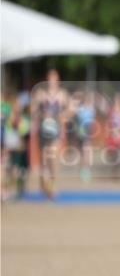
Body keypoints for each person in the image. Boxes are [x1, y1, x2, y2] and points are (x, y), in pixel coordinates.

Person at [31, 69, 71, 199]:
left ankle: (53, 188)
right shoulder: (41, 94)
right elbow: (33, 109)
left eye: (54, 79)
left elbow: (71, 109)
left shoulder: (62, 94)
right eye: (50, 79)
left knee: (53, 159)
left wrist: (63, 116)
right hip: (43, 131)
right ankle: (43, 185)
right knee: (44, 160)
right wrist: (41, 115)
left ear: (58, 80)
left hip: (56, 131)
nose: (52, 81)